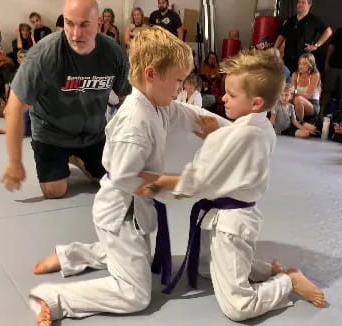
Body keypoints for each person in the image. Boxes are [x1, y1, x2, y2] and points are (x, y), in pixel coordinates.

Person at [28, 26, 230, 326]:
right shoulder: (135, 122)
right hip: (119, 212)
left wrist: (234, 132)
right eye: (177, 80)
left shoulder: (157, 105)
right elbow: (126, 178)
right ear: (151, 74)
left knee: (137, 256)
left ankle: (73, 255)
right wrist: (179, 184)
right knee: (136, 294)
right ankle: (53, 298)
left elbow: (189, 115)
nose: (180, 86)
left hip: (133, 212)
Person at [137, 48, 325, 322]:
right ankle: (266, 270)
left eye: (232, 95)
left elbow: (198, 180)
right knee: (204, 268)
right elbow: (243, 140)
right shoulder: (261, 127)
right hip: (231, 216)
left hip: (231, 224)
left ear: (256, 103)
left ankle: (288, 281)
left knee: (238, 307)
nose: (223, 97)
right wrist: (220, 132)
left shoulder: (242, 135)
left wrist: (159, 182)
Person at [1, 0, 132, 200]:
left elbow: (127, 100)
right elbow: (14, 108)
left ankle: (76, 158)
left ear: (99, 23)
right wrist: (14, 161)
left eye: (84, 25)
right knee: (55, 191)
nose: (75, 34)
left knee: (113, 180)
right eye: (69, 23)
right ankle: (65, 157)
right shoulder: (44, 55)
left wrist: (129, 144)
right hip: (51, 135)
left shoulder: (112, 52)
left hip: (93, 135)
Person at [274, 0, 332, 73]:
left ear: (309, 5)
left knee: (299, 83)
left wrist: (316, 45)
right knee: (286, 82)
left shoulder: (314, 20)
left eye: (303, 2)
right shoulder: (290, 20)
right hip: (287, 59)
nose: (300, 4)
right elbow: (281, 37)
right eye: (298, 2)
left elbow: (328, 31)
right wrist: (274, 51)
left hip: (303, 61)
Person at [292, 53, 321, 122]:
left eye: (304, 64)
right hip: (296, 101)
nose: (300, 66)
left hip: (312, 104)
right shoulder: (295, 75)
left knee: (298, 99)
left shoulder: (315, 75)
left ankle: (300, 123)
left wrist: (295, 92)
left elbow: (308, 95)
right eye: (300, 63)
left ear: (310, 65)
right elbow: (291, 92)